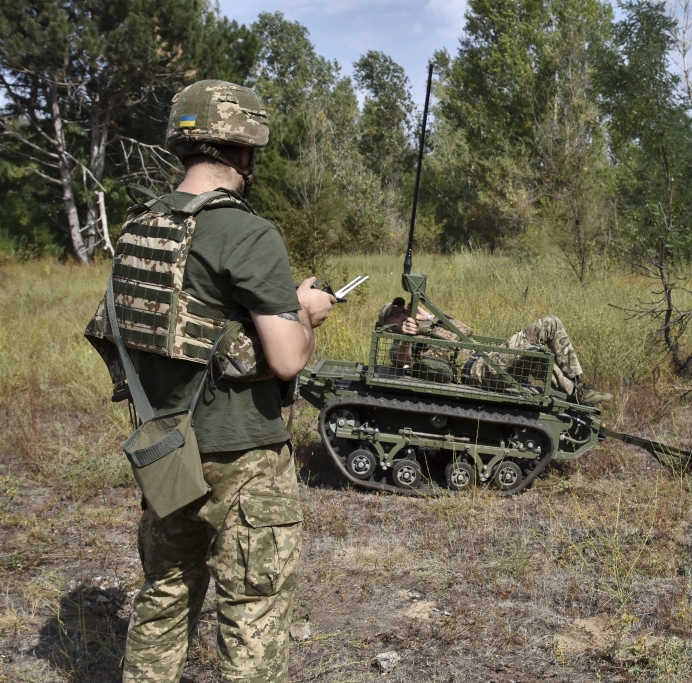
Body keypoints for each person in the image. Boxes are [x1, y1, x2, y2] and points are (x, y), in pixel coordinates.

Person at [103, 80, 336, 683]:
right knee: (253, 610)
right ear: (245, 148)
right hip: (244, 456)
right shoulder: (249, 233)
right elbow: (287, 360)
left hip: (167, 449)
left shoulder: (137, 230)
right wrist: (306, 312)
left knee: (165, 596)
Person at [377, 297, 612, 406]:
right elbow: (402, 360)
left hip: (488, 358)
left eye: (405, 311)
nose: (404, 315)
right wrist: (407, 336)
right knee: (534, 351)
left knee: (550, 323)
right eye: (396, 315)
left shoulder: (429, 327)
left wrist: (428, 317)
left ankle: (578, 387)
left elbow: (465, 331)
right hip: (476, 370)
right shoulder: (399, 342)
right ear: (388, 325)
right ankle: (576, 395)